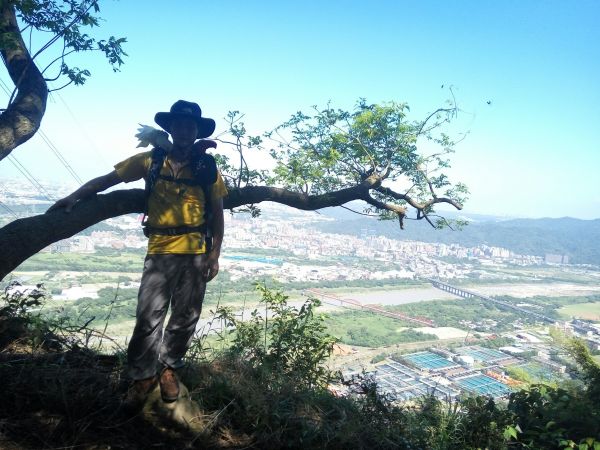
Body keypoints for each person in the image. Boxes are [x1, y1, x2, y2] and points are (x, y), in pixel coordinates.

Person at [48, 100, 227, 405]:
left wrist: (214, 254)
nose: (184, 130)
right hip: (160, 249)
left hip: (196, 250)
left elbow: (218, 212)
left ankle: (170, 369)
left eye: (190, 126)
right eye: (179, 124)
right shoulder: (150, 161)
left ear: (197, 131)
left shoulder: (207, 168)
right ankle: (143, 375)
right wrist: (74, 196)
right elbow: (109, 179)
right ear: (169, 128)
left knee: (185, 315)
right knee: (148, 316)